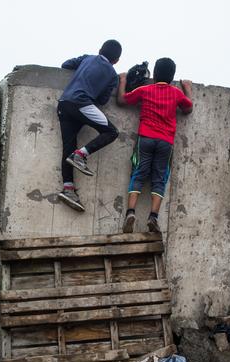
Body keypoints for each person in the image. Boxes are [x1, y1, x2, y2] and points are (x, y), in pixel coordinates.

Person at [116, 57, 193, 233]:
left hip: (146, 138)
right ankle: (153, 217)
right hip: (166, 142)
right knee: (159, 178)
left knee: (139, 173)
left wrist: (122, 80)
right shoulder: (176, 93)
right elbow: (188, 108)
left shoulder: (145, 89)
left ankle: (130, 213)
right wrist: (187, 89)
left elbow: (121, 100)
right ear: (172, 75)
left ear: (155, 73)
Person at [56, 39, 122, 212]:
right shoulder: (112, 74)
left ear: (100, 50)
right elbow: (102, 100)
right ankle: (81, 155)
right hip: (81, 104)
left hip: (63, 103)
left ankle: (68, 189)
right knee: (111, 132)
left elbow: (65, 64)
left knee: (67, 147)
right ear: (117, 60)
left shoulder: (87, 58)